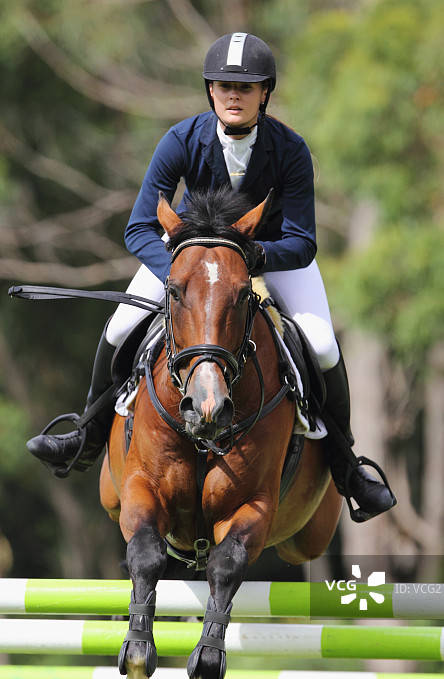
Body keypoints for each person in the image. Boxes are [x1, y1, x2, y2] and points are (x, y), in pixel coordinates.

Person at [27, 32, 395, 521]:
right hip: (184, 265)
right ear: (210, 91)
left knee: (323, 343)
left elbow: (304, 241)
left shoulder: (290, 150)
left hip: (272, 258)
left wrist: (250, 261)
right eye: (224, 85)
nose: (234, 95)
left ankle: (347, 468)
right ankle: (87, 436)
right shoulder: (180, 140)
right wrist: (183, 278)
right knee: (118, 327)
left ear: (266, 92)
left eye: (246, 86)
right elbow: (138, 226)